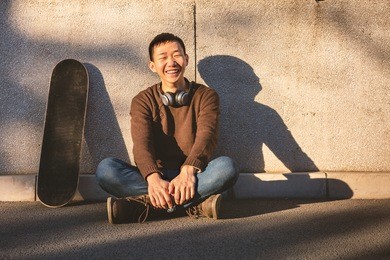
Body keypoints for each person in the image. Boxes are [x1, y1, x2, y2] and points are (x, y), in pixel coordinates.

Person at [95, 33, 239, 224]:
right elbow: (141, 145)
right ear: (152, 65)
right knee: (106, 170)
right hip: (157, 175)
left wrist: (187, 172)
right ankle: (195, 204)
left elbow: (207, 137)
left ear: (186, 59)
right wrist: (153, 179)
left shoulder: (206, 96)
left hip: (194, 175)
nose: (171, 62)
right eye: (163, 58)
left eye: (176, 55)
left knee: (227, 167)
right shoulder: (142, 100)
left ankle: (144, 206)